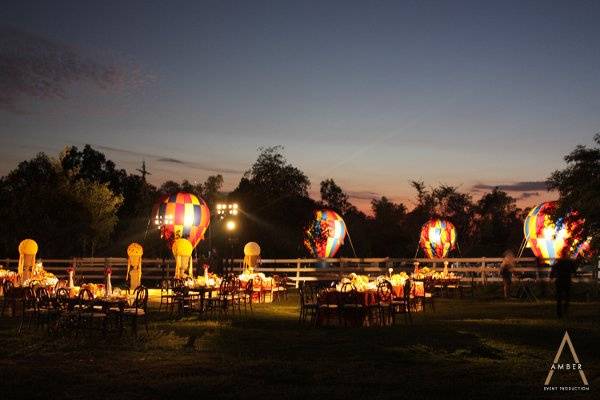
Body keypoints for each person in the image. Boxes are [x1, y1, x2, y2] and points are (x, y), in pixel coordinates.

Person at [550, 253, 578, 318]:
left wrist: (552, 276)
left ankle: (559, 313)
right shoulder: (569, 263)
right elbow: (574, 271)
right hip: (567, 281)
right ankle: (565, 309)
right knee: (567, 296)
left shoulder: (557, 263)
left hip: (559, 281)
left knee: (559, 297)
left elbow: (552, 273)